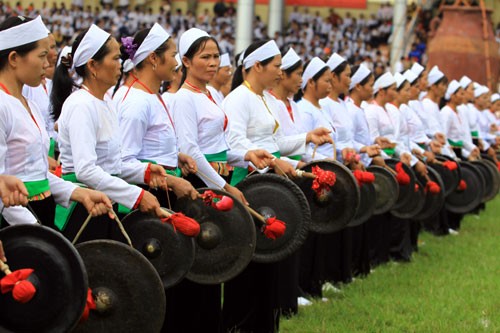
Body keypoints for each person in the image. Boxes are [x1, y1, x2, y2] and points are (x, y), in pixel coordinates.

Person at [222, 39, 332, 333]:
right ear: (257, 66)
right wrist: (273, 161)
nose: (280, 73)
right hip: (248, 185)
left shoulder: (263, 99)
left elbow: (273, 143)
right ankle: (241, 323)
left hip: (268, 182)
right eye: (277, 66)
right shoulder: (237, 99)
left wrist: (306, 138)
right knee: (251, 263)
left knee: (268, 261)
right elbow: (234, 146)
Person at [51, 24, 168, 241]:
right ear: (93, 65)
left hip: (104, 202)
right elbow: (86, 170)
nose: (121, 64)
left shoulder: (105, 100)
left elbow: (112, 166)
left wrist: (144, 171)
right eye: (114, 58)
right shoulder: (80, 105)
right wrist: (136, 195)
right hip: (82, 209)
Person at [0, 16, 113, 229]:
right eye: (42, 55)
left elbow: (38, 175)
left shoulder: (28, 105)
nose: (47, 63)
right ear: (14, 58)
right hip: (14, 221)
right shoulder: (2, 105)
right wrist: (35, 229)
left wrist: (79, 193)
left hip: (37, 214)